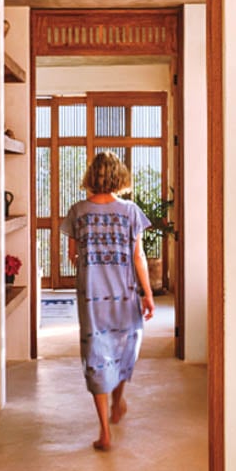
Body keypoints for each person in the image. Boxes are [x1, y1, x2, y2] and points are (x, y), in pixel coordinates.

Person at [59, 152, 155, 451]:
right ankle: (118, 402)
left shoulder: (77, 212)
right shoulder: (130, 212)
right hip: (124, 291)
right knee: (124, 344)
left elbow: (72, 256)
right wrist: (148, 294)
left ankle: (104, 432)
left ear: (91, 177)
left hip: (91, 295)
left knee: (96, 353)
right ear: (119, 177)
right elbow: (138, 257)